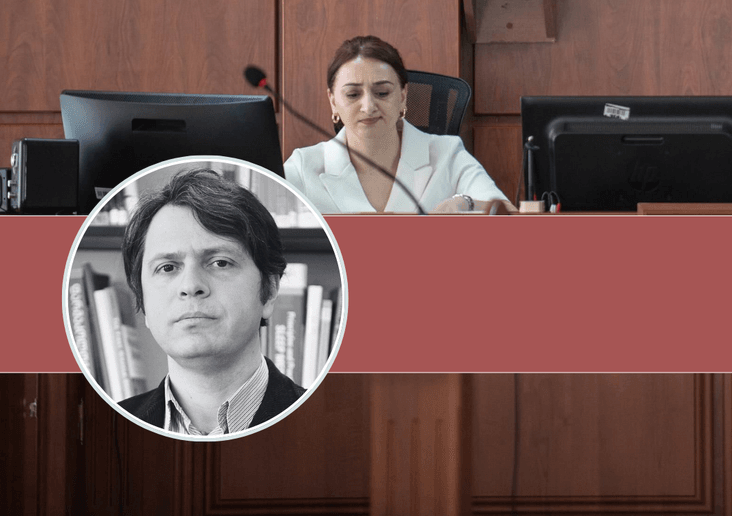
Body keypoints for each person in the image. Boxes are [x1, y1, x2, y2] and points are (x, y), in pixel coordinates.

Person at [118, 168, 305, 436]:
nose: (191, 286)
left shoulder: (339, 427)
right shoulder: (100, 430)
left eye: (220, 263)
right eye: (168, 267)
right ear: (142, 300)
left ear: (270, 290)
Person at [284, 35, 513, 213]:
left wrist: (465, 202)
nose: (368, 107)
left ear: (402, 97)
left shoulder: (447, 154)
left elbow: (510, 216)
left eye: (382, 93)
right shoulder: (304, 167)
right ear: (333, 102)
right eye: (353, 94)